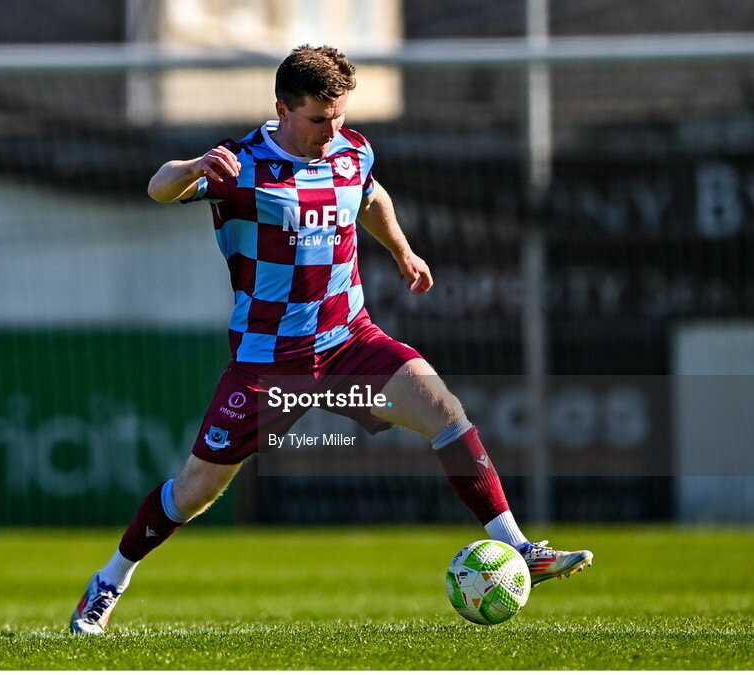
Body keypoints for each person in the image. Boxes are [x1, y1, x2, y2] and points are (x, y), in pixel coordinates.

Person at [70, 44, 592, 635]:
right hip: (269, 361)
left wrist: (402, 250)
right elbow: (157, 188)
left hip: (350, 340)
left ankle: (517, 546)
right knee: (195, 491)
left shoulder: (352, 149)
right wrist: (192, 168)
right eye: (319, 119)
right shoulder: (239, 167)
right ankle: (111, 578)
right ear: (282, 109)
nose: (332, 129)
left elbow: (369, 195)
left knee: (446, 411)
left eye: (339, 115)